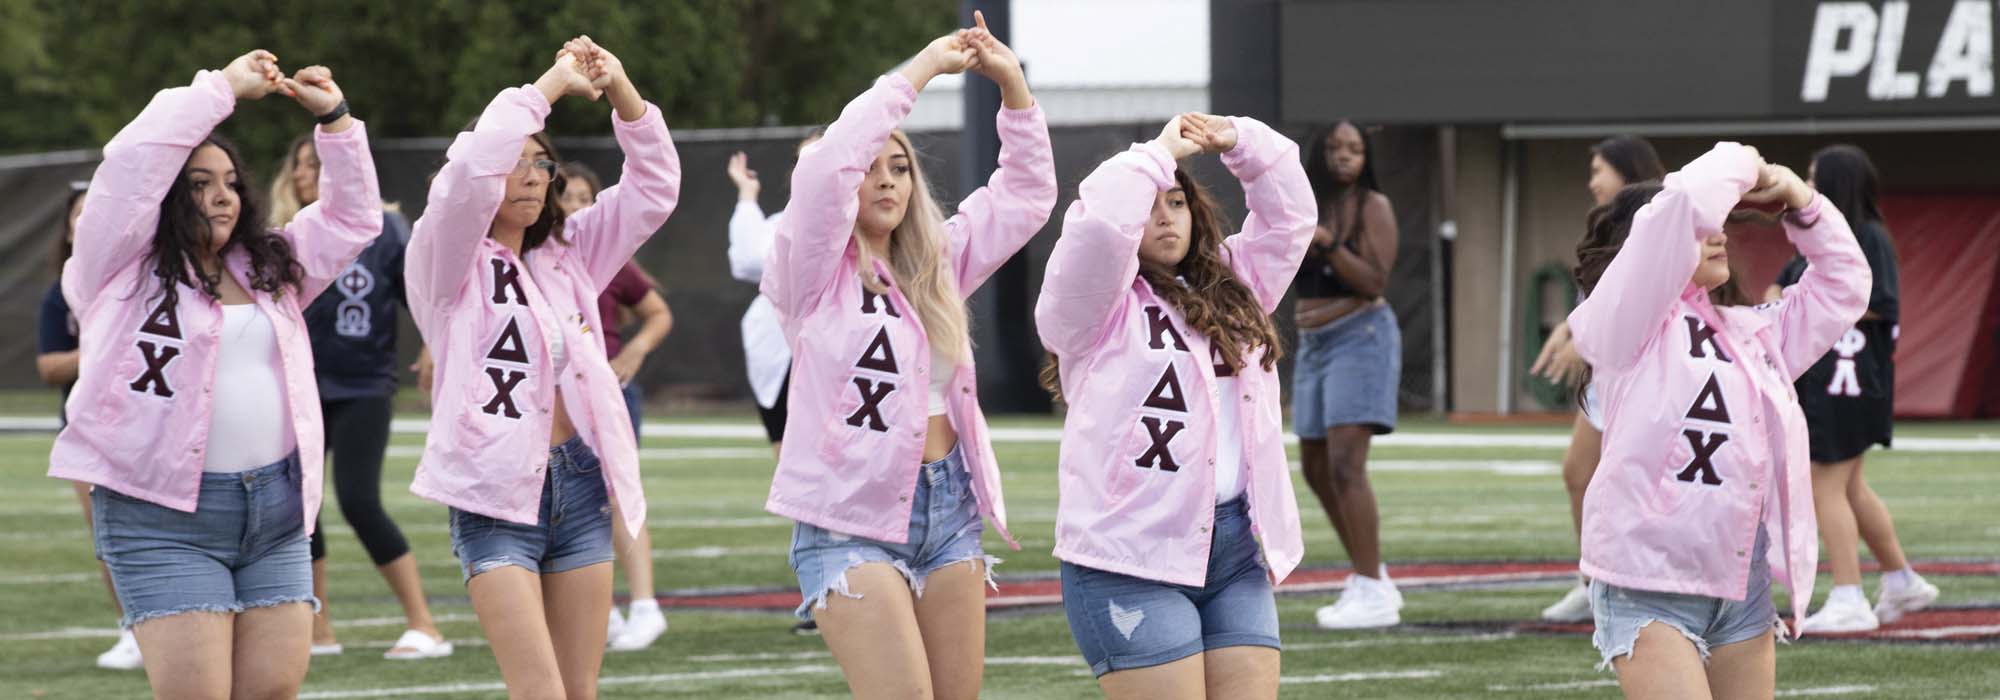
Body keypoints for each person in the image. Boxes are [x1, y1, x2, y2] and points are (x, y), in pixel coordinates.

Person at [50, 52, 382, 697]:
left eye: (230, 181)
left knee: (271, 691)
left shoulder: (270, 263)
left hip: (277, 513)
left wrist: (336, 121)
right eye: (200, 183)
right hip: (161, 515)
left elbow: (351, 220)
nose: (222, 194)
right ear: (169, 192)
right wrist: (223, 88)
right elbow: (131, 163)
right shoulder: (115, 267)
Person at [762, 15, 1054, 697]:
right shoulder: (806, 273)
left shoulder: (938, 263)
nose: (886, 181)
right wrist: (921, 68)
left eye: (900, 168)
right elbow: (830, 165)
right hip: (847, 520)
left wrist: (1011, 83)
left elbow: (1027, 193)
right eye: (870, 170)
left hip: (950, 509)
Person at [404, 37, 679, 698]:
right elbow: (470, 173)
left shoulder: (571, 250)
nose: (532, 175)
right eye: (518, 162)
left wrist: (620, 89)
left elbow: (655, 187)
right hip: (492, 491)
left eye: (542, 165)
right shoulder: (443, 259)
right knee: (540, 691)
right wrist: (554, 82)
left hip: (579, 484)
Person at [1568, 143, 1869, 698]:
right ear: (1647, 253)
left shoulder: (1751, 332)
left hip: (1739, 584)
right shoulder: (1620, 326)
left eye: (1720, 224)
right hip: (1646, 581)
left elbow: (1844, 286)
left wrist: (1802, 200)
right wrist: (1749, 163)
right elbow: (1683, 201)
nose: (1719, 232)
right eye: (1702, 226)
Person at [1036, 112, 1314, 698]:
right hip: (1128, 553)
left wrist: (1240, 140)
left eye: (1177, 202)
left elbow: (1291, 218)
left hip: (1234, 547)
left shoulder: (1237, 284)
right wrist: (1156, 153)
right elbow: (1098, 229)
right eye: (1150, 206)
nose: (1164, 217)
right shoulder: (1092, 307)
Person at [270, 133, 452, 660]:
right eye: (305, 165)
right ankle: (318, 629)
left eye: (322, 163)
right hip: (300, 386)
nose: (313, 173)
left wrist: (434, 345)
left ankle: (425, 624)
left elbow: (418, 292)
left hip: (364, 385)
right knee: (297, 506)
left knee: (358, 499)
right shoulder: (284, 238)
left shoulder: (384, 229)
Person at [1774, 144, 1938, 633]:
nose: (1806, 187)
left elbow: (1877, 300)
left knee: (1824, 484)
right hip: (1839, 384)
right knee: (1850, 487)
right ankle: (1901, 577)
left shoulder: (1866, 236)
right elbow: (1785, 291)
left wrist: (1819, 302)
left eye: (1813, 177)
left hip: (1845, 383)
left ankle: (1848, 594)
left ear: (1839, 183)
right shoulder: (1823, 244)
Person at [1533, 135, 1669, 623]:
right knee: (1580, 473)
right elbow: (1604, 289)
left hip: (1643, 373)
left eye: (1598, 170)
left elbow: (1632, 293)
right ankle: (1594, 579)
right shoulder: (1615, 221)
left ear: (1626, 169)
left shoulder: (1657, 219)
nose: (1592, 181)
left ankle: (1617, 581)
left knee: (1625, 479)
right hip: (1611, 372)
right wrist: (1570, 330)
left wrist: (1581, 339)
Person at [561, 161, 677, 651]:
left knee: (617, 493)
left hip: (605, 385)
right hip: (556, 391)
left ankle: (645, 605)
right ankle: (599, 609)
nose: (573, 208)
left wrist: (634, 350)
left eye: (583, 198)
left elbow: (658, 313)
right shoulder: (536, 253)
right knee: (566, 497)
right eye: (563, 197)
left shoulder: (607, 256)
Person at [1293, 120, 1404, 629]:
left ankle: (1373, 590)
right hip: (1311, 341)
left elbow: (1375, 280)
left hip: (1359, 335)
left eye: (1355, 149)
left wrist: (1330, 243)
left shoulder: (1371, 206)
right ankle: (1370, 576)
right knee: (1314, 467)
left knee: (1344, 464)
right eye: (1336, 147)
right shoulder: (1301, 201)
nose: (1345, 156)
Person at [39, 182, 145, 671]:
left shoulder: (142, 278)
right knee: (110, 537)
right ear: (67, 228)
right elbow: (49, 367)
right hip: (88, 431)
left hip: (147, 425)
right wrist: (102, 348)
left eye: (97, 209)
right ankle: (132, 627)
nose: (87, 220)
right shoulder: (59, 295)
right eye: (79, 212)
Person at [723, 143, 823, 636]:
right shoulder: (788, 223)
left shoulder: (871, 220)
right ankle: (821, 591)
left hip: (844, 366)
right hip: (781, 362)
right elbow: (746, 259)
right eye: (806, 160)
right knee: (803, 482)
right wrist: (747, 196)